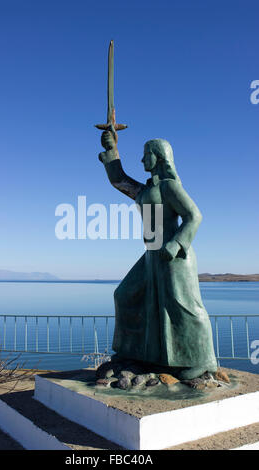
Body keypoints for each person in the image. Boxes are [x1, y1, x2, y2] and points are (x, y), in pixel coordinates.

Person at [98, 126, 217, 380]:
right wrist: (112, 149)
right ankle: (133, 354)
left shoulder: (170, 187)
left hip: (175, 257)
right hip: (151, 255)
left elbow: (194, 216)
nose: (142, 159)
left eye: (146, 154)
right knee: (125, 295)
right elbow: (119, 180)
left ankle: (203, 360)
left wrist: (175, 245)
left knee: (184, 306)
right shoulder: (144, 191)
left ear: (159, 157)